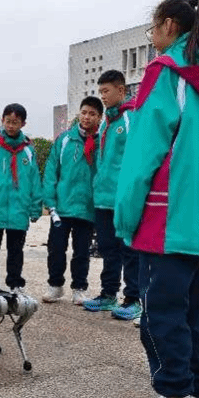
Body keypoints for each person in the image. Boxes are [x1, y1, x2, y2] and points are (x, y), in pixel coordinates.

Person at [115, 0, 199, 398]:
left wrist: (126, 214)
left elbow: (143, 151)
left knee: (161, 317)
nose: (153, 39)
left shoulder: (165, 72)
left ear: (169, 25)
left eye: (153, 30)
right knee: (195, 315)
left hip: (165, 219)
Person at [82, 70, 141, 321]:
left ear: (121, 90)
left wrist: (131, 194)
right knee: (107, 248)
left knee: (128, 248)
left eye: (106, 91)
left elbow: (137, 158)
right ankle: (108, 294)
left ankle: (134, 298)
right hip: (103, 198)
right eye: (100, 91)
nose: (103, 96)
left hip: (122, 197)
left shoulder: (130, 118)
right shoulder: (106, 122)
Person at [0, 103, 42, 293]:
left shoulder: (28, 150)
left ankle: (15, 283)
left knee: (16, 250)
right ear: (2, 120)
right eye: (8, 121)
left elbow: (35, 180)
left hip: (19, 209)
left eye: (15, 122)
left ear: (23, 124)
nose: (11, 126)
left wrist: (35, 207)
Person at [41, 97, 102, 305]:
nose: (87, 117)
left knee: (82, 251)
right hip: (62, 206)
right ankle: (55, 285)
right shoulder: (65, 139)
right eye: (84, 112)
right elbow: (51, 170)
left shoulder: (102, 142)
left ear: (99, 117)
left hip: (86, 207)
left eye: (92, 114)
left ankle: (79, 288)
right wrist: (50, 199)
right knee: (56, 248)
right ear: (79, 114)